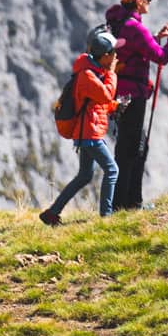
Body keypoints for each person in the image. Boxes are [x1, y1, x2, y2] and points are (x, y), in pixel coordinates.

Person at [105, 0, 168, 211]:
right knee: (132, 148)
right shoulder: (134, 27)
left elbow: (133, 46)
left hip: (119, 93)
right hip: (133, 94)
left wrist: (155, 37)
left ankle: (130, 201)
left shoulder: (119, 22)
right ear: (138, 0)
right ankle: (125, 203)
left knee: (132, 146)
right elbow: (161, 57)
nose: (149, 2)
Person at [41, 26, 121, 225]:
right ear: (104, 56)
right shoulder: (87, 75)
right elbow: (105, 94)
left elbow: (95, 103)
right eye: (112, 53)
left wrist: (115, 106)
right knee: (112, 170)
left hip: (88, 132)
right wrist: (112, 74)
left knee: (84, 175)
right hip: (90, 134)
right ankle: (106, 217)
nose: (115, 57)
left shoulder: (93, 71)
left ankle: (52, 213)